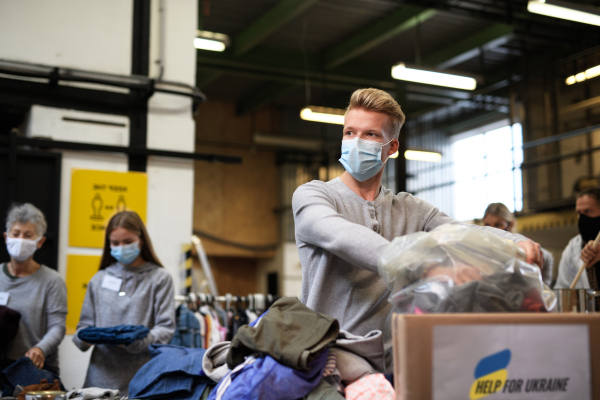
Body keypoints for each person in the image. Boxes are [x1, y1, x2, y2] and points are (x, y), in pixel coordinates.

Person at [292, 88, 544, 372]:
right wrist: (424, 267)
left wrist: (516, 242)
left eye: (371, 135)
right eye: (350, 133)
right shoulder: (313, 196)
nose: (356, 141)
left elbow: (464, 233)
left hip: (395, 364)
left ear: (392, 147)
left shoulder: (409, 209)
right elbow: (342, 236)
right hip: (329, 364)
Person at [72, 211, 175, 395]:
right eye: (115, 243)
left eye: (127, 242)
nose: (121, 247)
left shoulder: (160, 278)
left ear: (141, 239)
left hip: (143, 380)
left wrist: (133, 342)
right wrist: (85, 338)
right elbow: (83, 327)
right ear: (108, 244)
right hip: (98, 381)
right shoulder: (99, 279)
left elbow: (165, 329)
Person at [0, 203, 66, 375]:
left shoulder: (52, 280)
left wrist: (40, 349)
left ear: (40, 241)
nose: (20, 239)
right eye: (16, 234)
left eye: (28, 235)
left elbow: (57, 327)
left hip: (35, 369)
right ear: (6, 237)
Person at [483, 202, 554, 286]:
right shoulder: (483, 248)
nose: (493, 230)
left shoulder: (522, 245)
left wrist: (543, 285)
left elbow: (547, 257)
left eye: (498, 225)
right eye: (487, 225)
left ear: (511, 225)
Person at [555, 187, 600, 289]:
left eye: (588, 211)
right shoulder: (572, 247)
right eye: (579, 213)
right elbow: (563, 287)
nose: (582, 218)